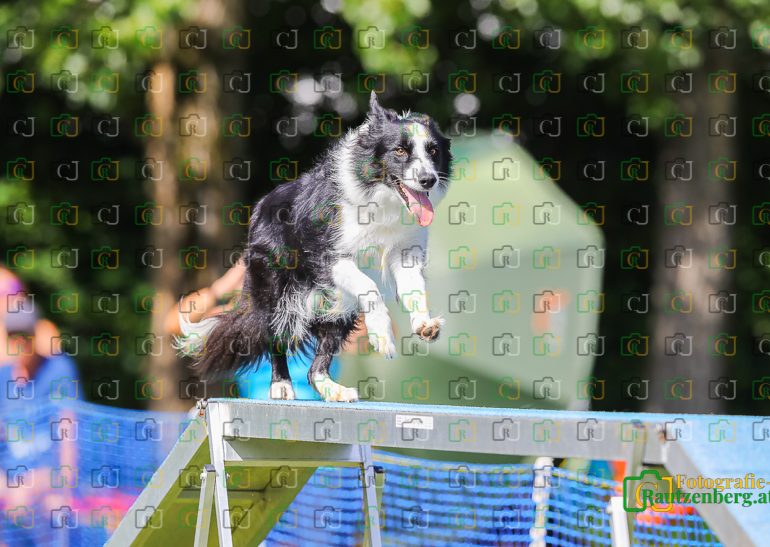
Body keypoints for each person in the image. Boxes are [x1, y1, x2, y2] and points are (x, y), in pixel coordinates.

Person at [165, 261, 364, 400]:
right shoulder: (244, 316)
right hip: (260, 418)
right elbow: (173, 324)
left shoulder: (323, 311)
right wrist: (221, 288)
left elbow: (363, 339)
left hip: (315, 420)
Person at [0, 301, 81, 544]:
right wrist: (6, 488)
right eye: (13, 336)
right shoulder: (3, 378)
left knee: (51, 507)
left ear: (36, 335)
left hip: (47, 484)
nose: (20, 343)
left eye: (25, 336)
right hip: (10, 486)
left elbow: (69, 448)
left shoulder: (59, 371)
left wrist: (41, 485)